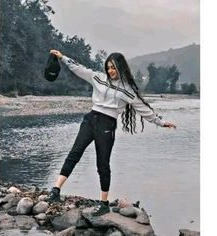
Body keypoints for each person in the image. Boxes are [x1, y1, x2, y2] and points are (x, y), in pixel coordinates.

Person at [47, 49, 176, 216]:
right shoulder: (98, 77)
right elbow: (78, 68)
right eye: (108, 67)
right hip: (90, 120)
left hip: (107, 125)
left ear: (120, 68)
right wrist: (62, 57)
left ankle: (103, 203)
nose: (110, 71)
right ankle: (56, 190)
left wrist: (161, 122)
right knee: (75, 153)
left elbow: (143, 109)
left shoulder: (127, 90)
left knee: (103, 164)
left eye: (113, 68)